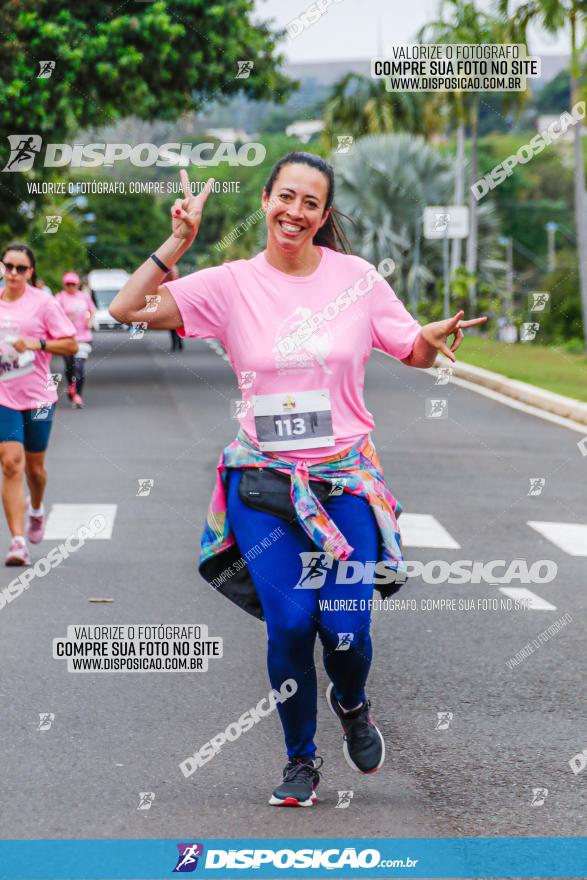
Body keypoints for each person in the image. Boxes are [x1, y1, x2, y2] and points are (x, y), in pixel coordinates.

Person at [109, 154, 486, 807]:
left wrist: (429, 337)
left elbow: (412, 349)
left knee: (345, 630)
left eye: (310, 203)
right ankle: (299, 761)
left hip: (343, 482)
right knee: (287, 626)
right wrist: (177, 243)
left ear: (323, 215)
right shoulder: (229, 284)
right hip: (263, 483)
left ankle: (352, 701)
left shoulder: (357, 281)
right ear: (264, 200)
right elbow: (125, 307)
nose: (295, 211)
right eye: (286, 197)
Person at [0, 244, 77, 565]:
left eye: (21, 268)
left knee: (35, 469)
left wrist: (37, 342)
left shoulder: (44, 304)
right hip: (4, 396)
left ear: (31, 272)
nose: (13, 273)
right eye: (8, 266)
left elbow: (71, 344)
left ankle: (36, 508)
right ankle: (17, 542)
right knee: (10, 463)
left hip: (39, 397)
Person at [54, 272, 95, 408]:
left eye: (73, 284)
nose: (71, 287)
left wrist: (89, 320)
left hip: (83, 337)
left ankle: (77, 395)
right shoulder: (59, 298)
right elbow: (52, 316)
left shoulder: (84, 296)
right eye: (68, 284)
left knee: (79, 366)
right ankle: (72, 386)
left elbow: (92, 310)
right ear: (64, 285)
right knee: (69, 367)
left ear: (78, 284)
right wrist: (65, 320)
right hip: (66, 338)